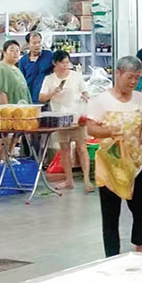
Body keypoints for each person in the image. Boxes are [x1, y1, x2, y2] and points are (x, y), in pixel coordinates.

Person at [87, 56, 142, 257]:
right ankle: (112, 254)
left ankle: (139, 244)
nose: (133, 82)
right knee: (110, 212)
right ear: (118, 73)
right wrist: (109, 132)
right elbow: (91, 128)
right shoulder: (101, 101)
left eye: (137, 78)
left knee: (140, 207)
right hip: (111, 163)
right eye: (130, 77)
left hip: (136, 162)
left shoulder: (139, 99)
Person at [39, 50, 92, 192]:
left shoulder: (76, 76)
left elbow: (85, 91)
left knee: (82, 147)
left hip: (77, 117)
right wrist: (52, 92)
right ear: (54, 63)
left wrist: (86, 96)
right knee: (64, 149)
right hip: (60, 118)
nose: (65, 66)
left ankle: (87, 179)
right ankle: (69, 180)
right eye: (62, 63)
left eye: (67, 63)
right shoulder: (49, 79)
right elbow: (41, 97)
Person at [0, 40, 31, 105]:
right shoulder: (1, 69)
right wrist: (7, 110)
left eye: (17, 51)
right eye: (12, 50)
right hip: (9, 110)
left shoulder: (17, 69)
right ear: (4, 52)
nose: (15, 53)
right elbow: (0, 93)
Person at [18, 31, 53, 103]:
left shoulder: (49, 55)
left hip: (46, 97)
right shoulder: (23, 61)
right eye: (34, 43)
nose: (37, 45)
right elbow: (21, 81)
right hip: (30, 98)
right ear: (28, 44)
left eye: (39, 42)